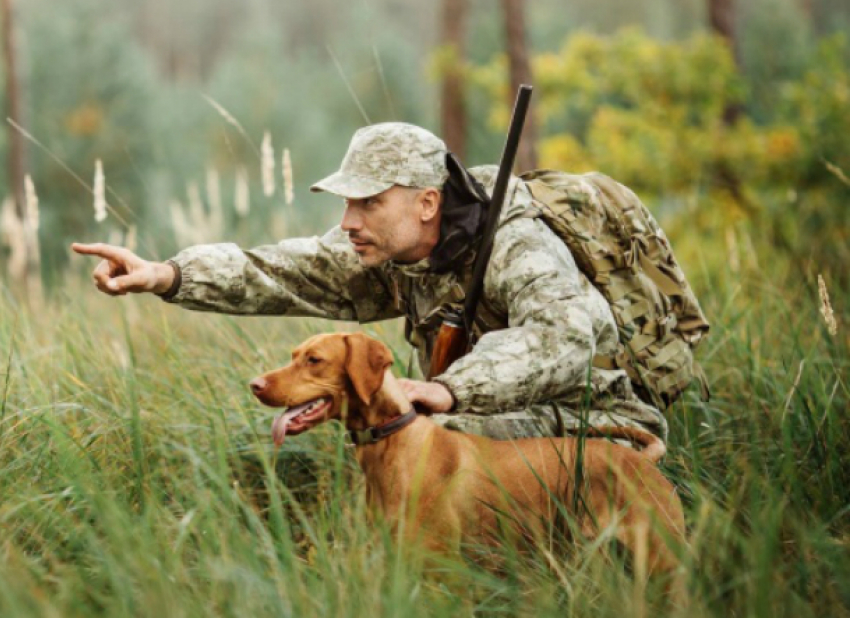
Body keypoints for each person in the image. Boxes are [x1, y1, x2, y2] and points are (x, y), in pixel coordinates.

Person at [73, 122, 667, 442]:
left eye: (369, 203)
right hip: (483, 417)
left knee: (433, 433)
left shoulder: (516, 244)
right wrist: (165, 274)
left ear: (427, 203)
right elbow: (279, 270)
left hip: (598, 419)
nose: (348, 222)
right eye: (347, 202)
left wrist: (449, 390)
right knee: (411, 433)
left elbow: (564, 337)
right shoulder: (386, 248)